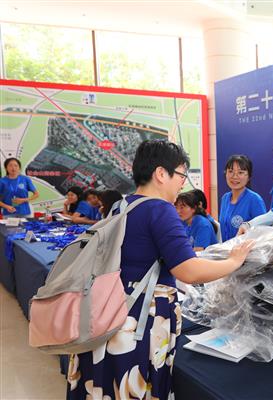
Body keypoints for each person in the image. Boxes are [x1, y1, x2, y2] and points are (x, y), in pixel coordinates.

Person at [67, 139, 253, 399]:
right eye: (181, 175)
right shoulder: (160, 209)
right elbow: (188, 270)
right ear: (161, 174)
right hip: (138, 321)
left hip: (106, 310)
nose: (182, 184)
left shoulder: (122, 205)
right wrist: (233, 262)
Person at [219, 155, 266, 241]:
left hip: (248, 248)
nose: (235, 176)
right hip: (227, 248)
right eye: (230, 171)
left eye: (240, 173)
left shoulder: (255, 200)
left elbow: (262, 231)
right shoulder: (225, 198)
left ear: (249, 177)